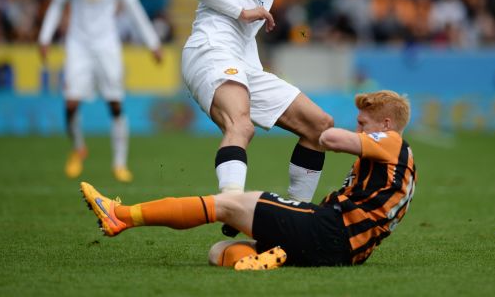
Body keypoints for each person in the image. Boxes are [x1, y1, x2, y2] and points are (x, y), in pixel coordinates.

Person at [80, 90, 416, 269]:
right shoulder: (399, 162)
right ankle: (271, 259)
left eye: (363, 123)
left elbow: (331, 140)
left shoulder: (392, 142)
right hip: (341, 250)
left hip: (330, 231)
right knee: (218, 251)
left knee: (229, 203)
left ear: (386, 124)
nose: (358, 129)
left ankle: (121, 217)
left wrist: (318, 127)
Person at [179, 0, 352, 207]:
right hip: (211, 47)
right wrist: (240, 10)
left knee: (319, 126)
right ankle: (231, 205)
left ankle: (293, 214)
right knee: (241, 125)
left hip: (245, 64)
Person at [38, 0, 163, 182]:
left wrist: (152, 42)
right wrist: (44, 37)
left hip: (107, 44)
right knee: (71, 102)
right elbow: (57, 5)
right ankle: (78, 148)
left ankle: (119, 163)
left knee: (114, 103)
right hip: (78, 44)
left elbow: (134, 8)